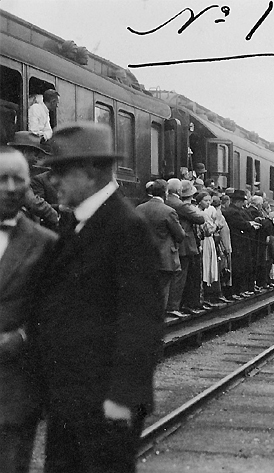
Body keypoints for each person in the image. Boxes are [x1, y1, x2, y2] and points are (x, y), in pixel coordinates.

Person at [34, 122, 164, 472]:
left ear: (92, 171)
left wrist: (122, 398)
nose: (53, 181)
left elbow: (141, 321)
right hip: (70, 398)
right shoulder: (81, 223)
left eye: (61, 171)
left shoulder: (126, 228)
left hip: (105, 404)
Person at [0, 147, 57, 473]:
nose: (10, 187)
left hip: (14, 392)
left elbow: (55, 314)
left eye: (18, 180)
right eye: (1, 179)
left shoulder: (44, 243)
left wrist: (21, 337)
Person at [136, 179, 186, 315]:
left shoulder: (139, 208)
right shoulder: (168, 211)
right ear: (166, 193)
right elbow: (180, 235)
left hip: (143, 256)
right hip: (164, 257)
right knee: (162, 290)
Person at [165, 178, 205, 317]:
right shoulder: (180, 205)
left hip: (171, 244)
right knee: (180, 276)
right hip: (184, 245)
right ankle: (174, 306)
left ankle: (175, 305)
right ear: (179, 190)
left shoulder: (166, 201)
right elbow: (200, 218)